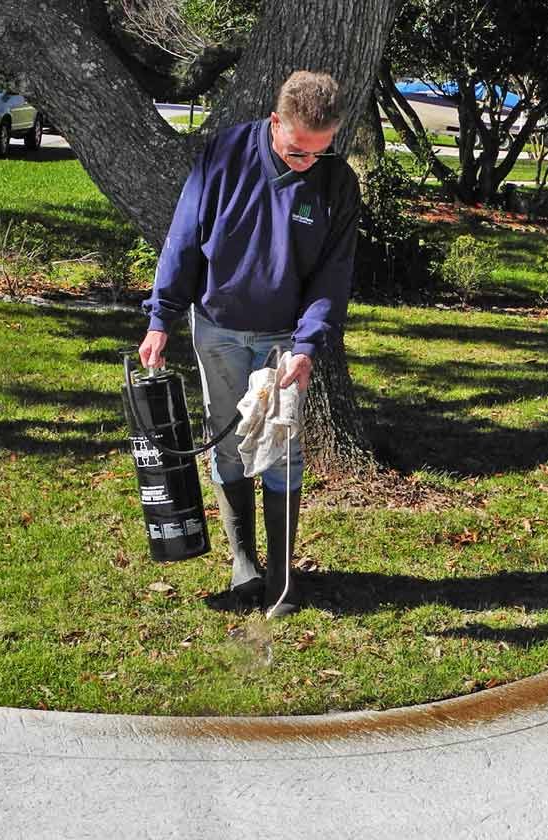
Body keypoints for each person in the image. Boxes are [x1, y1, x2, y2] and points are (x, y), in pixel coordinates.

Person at [138, 70, 360, 617]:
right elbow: (184, 239)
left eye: (318, 152)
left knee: (281, 447)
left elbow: (333, 277)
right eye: (296, 151)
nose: (306, 163)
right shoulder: (223, 156)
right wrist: (161, 318)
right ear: (275, 122)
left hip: (285, 340)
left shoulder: (335, 183)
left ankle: (282, 575)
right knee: (227, 442)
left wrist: (309, 345)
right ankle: (243, 560)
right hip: (216, 327)